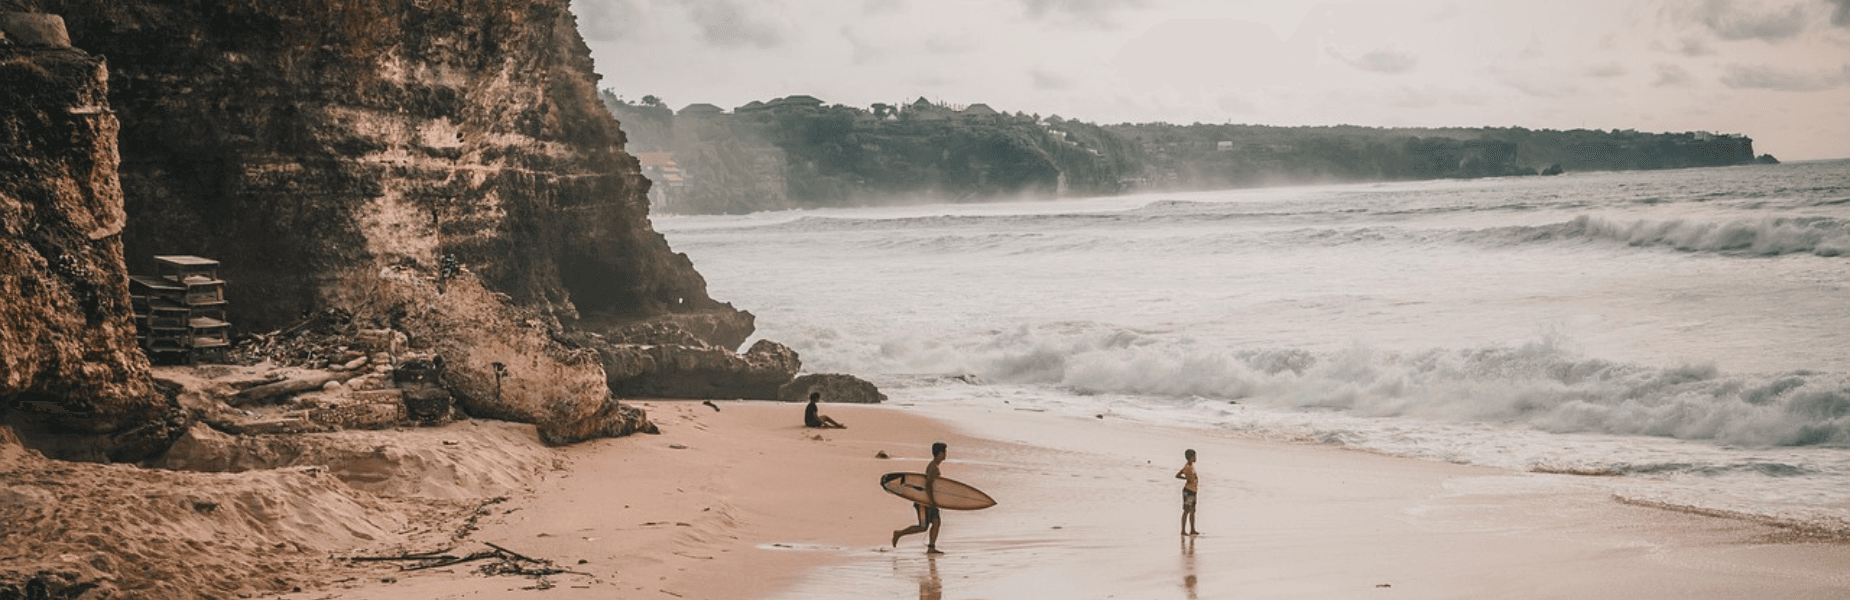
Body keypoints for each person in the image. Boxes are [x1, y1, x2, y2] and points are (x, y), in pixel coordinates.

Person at [892, 441, 948, 553]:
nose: (946, 454)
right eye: (945, 451)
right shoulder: (933, 467)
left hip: (929, 500)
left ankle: (931, 547)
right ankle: (899, 533)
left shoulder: (935, 466)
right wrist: (931, 501)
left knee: (936, 523)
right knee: (923, 527)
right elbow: (928, 485)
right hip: (924, 502)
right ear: (940, 453)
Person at [1176, 448, 1200, 536]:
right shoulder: (1187, 467)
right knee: (1186, 510)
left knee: (1193, 510)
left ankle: (1192, 529)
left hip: (1193, 490)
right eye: (1194, 457)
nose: (1195, 458)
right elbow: (1177, 475)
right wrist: (1186, 478)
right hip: (1188, 491)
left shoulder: (1191, 466)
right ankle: (1183, 530)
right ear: (1189, 457)